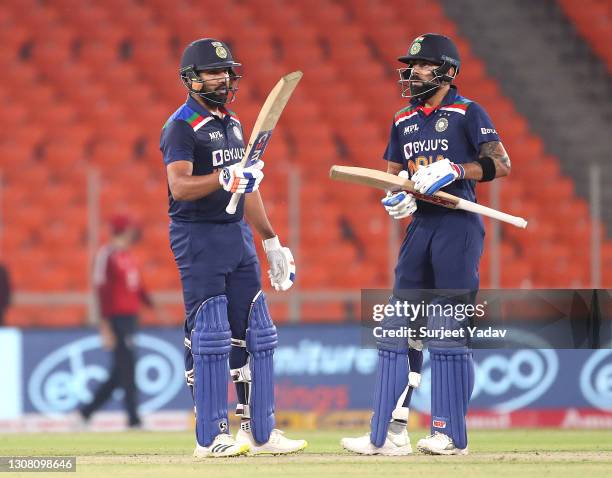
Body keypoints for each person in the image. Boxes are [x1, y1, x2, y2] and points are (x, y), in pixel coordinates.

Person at [342, 33, 511, 456]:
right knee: (400, 326)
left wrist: (457, 168)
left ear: (447, 72)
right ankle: (390, 429)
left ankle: (450, 433)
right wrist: (396, 196)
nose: (413, 71)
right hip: (421, 227)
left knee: (449, 329)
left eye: (422, 65)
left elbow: (501, 163)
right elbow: (393, 174)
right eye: (411, 65)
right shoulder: (403, 119)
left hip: (458, 225)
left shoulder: (468, 112)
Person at [160, 38, 306, 458]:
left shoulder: (234, 123)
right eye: (212, 72)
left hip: (236, 232)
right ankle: (211, 436)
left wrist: (270, 239)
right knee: (210, 332)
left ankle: (259, 431)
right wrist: (223, 177)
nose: (223, 78)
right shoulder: (181, 126)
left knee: (256, 332)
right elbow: (180, 186)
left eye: (226, 72)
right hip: (198, 235)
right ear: (191, 79)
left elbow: (248, 186)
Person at [79, 213, 161, 428]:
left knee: (120, 371)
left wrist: (151, 305)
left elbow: (137, 287)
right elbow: (102, 290)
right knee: (127, 368)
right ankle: (133, 419)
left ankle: (85, 413)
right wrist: (105, 326)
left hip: (130, 318)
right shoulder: (107, 255)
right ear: (124, 231)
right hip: (116, 318)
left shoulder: (127, 255)